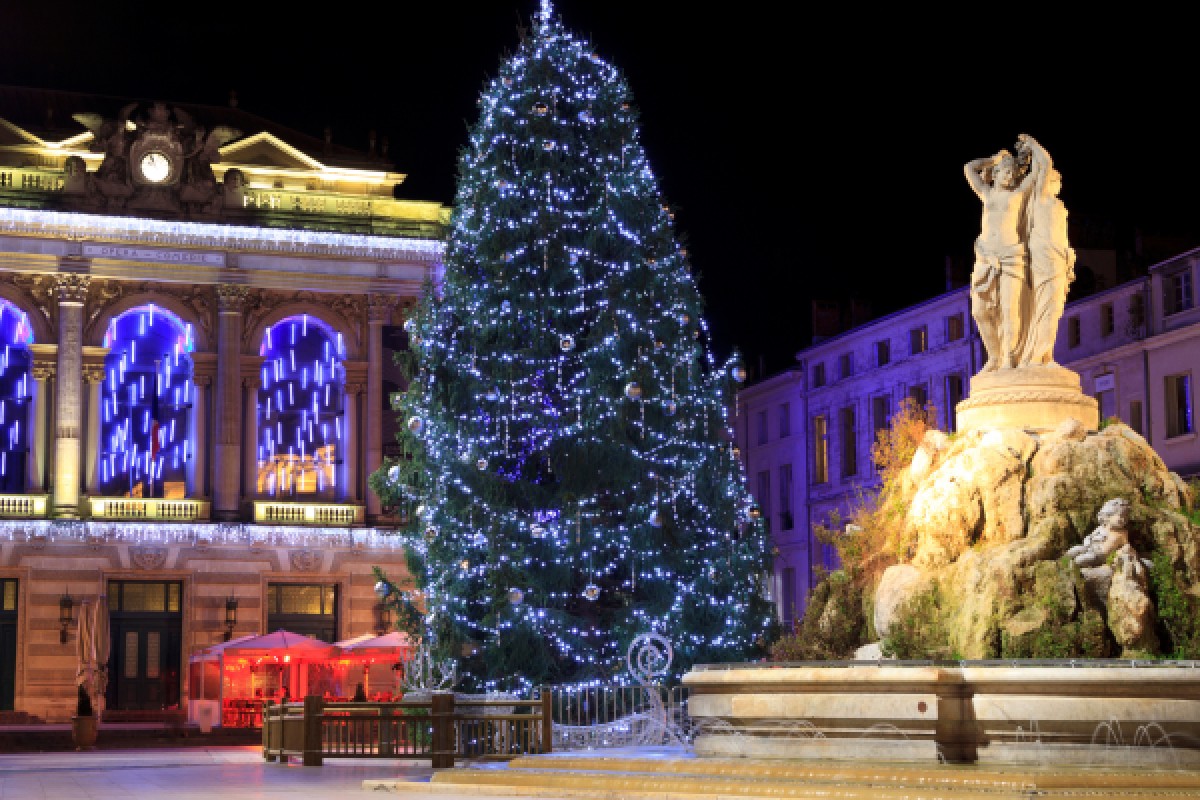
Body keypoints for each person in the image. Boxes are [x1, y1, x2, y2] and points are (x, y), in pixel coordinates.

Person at [964, 141, 1037, 371]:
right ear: (995, 174)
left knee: (1009, 308)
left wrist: (1032, 150)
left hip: (1010, 255)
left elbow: (1039, 172)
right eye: (1004, 171)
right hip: (986, 255)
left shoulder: (1016, 194)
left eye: (1011, 172)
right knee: (979, 310)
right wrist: (994, 159)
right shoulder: (986, 193)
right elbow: (968, 168)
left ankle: (1007, 357)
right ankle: (994, 355)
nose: (1009, 175)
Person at [1017, 133, 1076, 367]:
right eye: (1053, 178)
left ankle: (1046, 353)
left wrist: (1068, 254)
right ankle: (1038, 355)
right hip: (1043, 256)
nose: (1057, 182)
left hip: (1058, 258)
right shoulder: (1039, 200)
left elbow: (1061, 234)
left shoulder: (1058, 206)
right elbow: (1045, 163)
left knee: (1055, 307)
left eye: (1058, 179)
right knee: (1044, 307)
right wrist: (1032, 144)